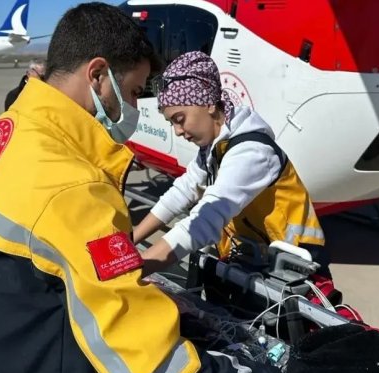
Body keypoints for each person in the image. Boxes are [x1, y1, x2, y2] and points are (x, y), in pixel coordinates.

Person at [0, 4, 283, 373]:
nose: (136, 108)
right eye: (136, 91)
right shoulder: (74, 188)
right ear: (99, 75)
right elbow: (153, 364)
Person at [134, 51, 348, 313]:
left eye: (180, 119)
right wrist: (130, 240)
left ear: (209, 103)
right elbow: (182, 191)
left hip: (294, 275)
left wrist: (141, 264)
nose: (177, 131)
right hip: (251, 267)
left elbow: (206, 218)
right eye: (171, 123)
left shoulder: (252, 153)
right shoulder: (213, 148)